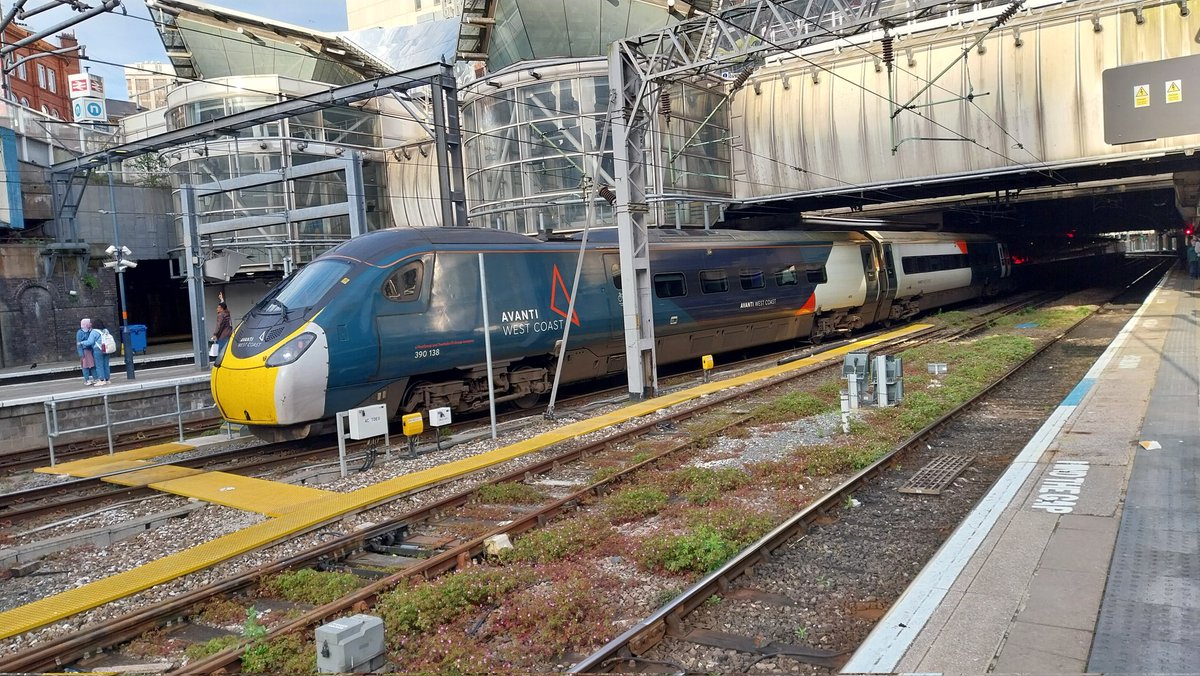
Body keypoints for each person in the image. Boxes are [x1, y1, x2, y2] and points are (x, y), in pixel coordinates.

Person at [76, 318, 97, 386]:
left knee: (93, 366)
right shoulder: (80, 332)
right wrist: (81, 354)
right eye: (89, 323)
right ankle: (87, 379)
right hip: (85, 351)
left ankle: (95, 378)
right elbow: (78, 344)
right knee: (85, 366)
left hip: (92, 350)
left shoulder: (91, 331)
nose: (90, 324)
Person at [92, 319, 112, 386]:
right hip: (106, 349)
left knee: (99, 365)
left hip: (98, 349)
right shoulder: (106, 331)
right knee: (106, 364)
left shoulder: (94, 332)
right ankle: (107, 379)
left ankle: (101, 380)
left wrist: (82, 343)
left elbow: (90, 341)